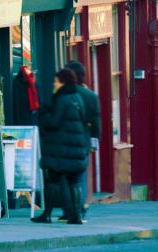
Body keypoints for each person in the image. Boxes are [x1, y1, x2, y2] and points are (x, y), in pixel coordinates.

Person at [32, 68, 90, 225]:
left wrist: (44, 114)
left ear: (62, 82)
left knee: (53, 180)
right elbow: (83, 121)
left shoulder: (62, 99)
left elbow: (54, 122)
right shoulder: (77, 97)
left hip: (61, 149)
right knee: (74, 181)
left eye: (56, 81)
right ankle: (76, 216)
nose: (54, 84)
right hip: (75, 148)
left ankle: (47, 215)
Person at [65, 60, 99, 221]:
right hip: (83, 141)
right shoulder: (91, 96)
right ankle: (80, 209)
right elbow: (96, 122)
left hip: (65, 141)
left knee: (65, 176)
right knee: (80, 176)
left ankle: (70, 210)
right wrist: (94, 142)